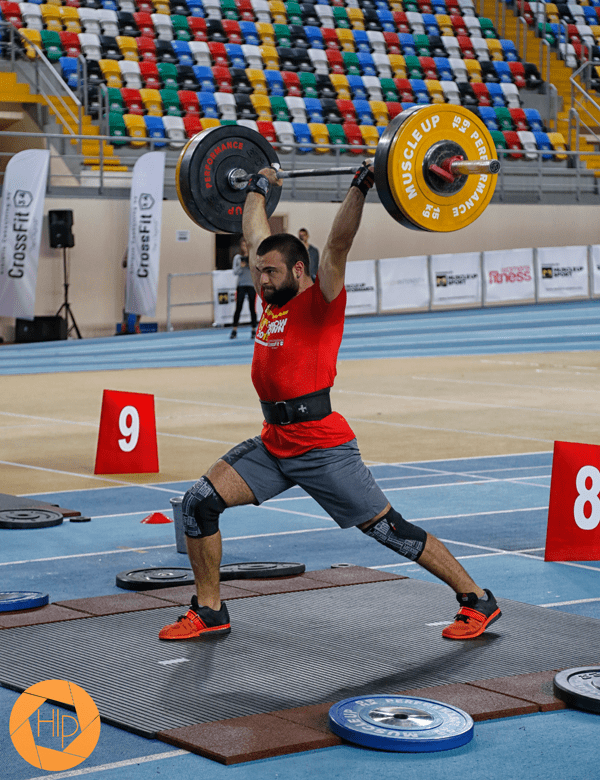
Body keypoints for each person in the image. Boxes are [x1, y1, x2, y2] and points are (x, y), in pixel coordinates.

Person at [159, 162, 501, 643]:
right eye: (259, 272)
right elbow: (256, 229)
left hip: (321, 446)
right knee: (199, 503)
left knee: (389, 530)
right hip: (275, 443)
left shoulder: (321, 299)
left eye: (271, 272)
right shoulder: (271, 301)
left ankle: (476, 599)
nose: (261, 280)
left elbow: (339, 244)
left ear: (299, 270)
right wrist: (258, 185)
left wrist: (361, 185)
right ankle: (210, 611)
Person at [229, 237, 258, 339]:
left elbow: (257, 270)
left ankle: (254, 329)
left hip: (251, 285)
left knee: (252, 308)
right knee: (238, 307)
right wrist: (241, 267)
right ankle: (234, 330)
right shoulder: (237, 257)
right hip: (241, 285)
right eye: (243, 245)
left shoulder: (253, 257)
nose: (244, 247)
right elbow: (235, 272)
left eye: (246, 245)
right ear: (240, 246)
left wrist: (250, 265)